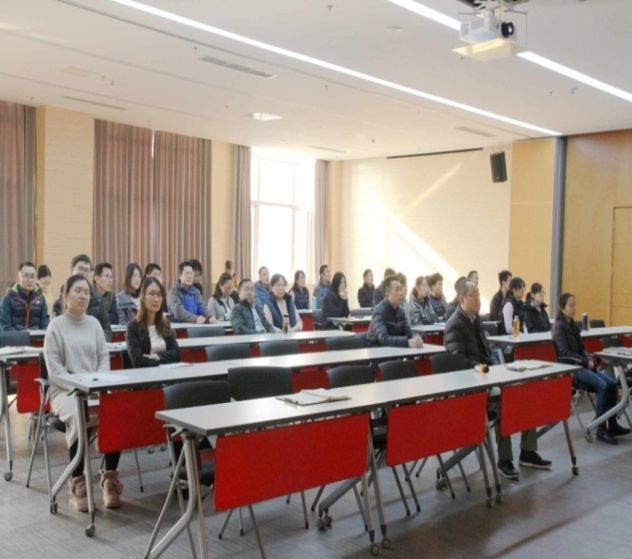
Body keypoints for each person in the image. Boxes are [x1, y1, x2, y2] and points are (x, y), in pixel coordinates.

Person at [444, 281, 551, 479]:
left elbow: (488, 353)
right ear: (462, 299)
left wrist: (497, 369)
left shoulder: (476, 320)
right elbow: (458, 363)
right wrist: (486, 370)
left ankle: (528, 452)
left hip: (486, 379)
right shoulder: (454, 325)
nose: (478, 299)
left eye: (478, 294)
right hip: (468, 389)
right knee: (504, 401)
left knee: (524, 392)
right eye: (474, 295)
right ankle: (504, 460)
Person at [44, 274, 123, 510]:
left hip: (94, 388)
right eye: (78, 291)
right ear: (65, 296)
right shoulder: (55, 327)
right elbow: (54, 369)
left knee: (116, 411)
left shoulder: (94, 324)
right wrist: (80, 387)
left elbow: (103, 358)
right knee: (80, 413)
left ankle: (109, 477)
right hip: (64, 391)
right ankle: (77, 482)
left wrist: (97, 384)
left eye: (87, 292)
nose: (83, 296)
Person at [552, 292, 629, 444]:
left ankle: (612, 424)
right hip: (572, 370)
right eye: (570, 305)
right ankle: (601, 429)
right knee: (602, 386)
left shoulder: (573, 326)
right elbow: (564, 353)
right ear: (562, 308)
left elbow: (582, 348)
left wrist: (588, 358)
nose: (574, 308)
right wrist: (584, 362)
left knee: (612, 384)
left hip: (583, 365)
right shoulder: (559, 328)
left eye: (575, 305)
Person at [53, 254, 112, 341]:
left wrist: (99, 342)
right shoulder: (59, 303)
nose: (83, 273)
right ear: (72, 271)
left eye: (87, 270)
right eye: (80, 269)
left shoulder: (98, 299)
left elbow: (107, 328)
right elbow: (58, 334)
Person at [126, 277, 181, 368]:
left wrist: (155, 357)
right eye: (151, 294)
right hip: (145, 375)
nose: (156, 299)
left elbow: (177, 354)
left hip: (167, 374)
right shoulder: (133, 327)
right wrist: (165, 360)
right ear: (143, 296)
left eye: (159, 295)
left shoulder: (165, 324)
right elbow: (138, 361)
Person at [367, 275, 423, 348]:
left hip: (395, 350)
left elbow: (409, 335)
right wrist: (407, 342)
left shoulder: (401, 312)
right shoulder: (379, 311)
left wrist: (416, 339)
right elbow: (384, 339)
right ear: (387, 295)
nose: (400, 293)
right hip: (377, 351)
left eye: (400, 289)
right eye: (397, 290)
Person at [0, 261, 50, 331]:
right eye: (26, 276)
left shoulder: (41, 299)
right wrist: (23, 335)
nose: (30, 280)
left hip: (37, 337)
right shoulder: (7, 299)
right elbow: (5, 327)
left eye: (33, 276)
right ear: (18, 279)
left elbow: (46, 324)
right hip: (16, 337)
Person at [93, 262, 119, 327]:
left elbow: (115, 319)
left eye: (111, 277)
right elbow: (91, 317)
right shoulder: (89, 294)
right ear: (97, 279)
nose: (110, 280)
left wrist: (101, 315)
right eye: (107, 276)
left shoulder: (111, 296)